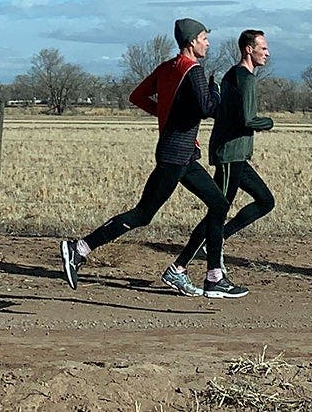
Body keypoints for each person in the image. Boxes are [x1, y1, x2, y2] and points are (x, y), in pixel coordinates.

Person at [58, 18, 246, 299]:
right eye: (205, 38)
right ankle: (79, 249)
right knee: (143, 214)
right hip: (175, 157)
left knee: (218, 204)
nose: (208, 43)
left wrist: (166, 115)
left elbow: (138, 96)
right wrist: (217, 91)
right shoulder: (193, 70)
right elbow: (208, 108)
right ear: (192, 41)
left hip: (182, 154)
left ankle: (211, 276)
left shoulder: (168, 67)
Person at [175, 29, 276, 279]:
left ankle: (218, 238)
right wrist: (269, 122)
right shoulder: (245, 78)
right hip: (230, 155)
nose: (267, 53)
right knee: (217, 211)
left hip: (236, 155)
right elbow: (248, 119)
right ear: (248, 49)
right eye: (263, 48)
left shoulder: (233, 74)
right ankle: (180, 266)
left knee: (265, 201)